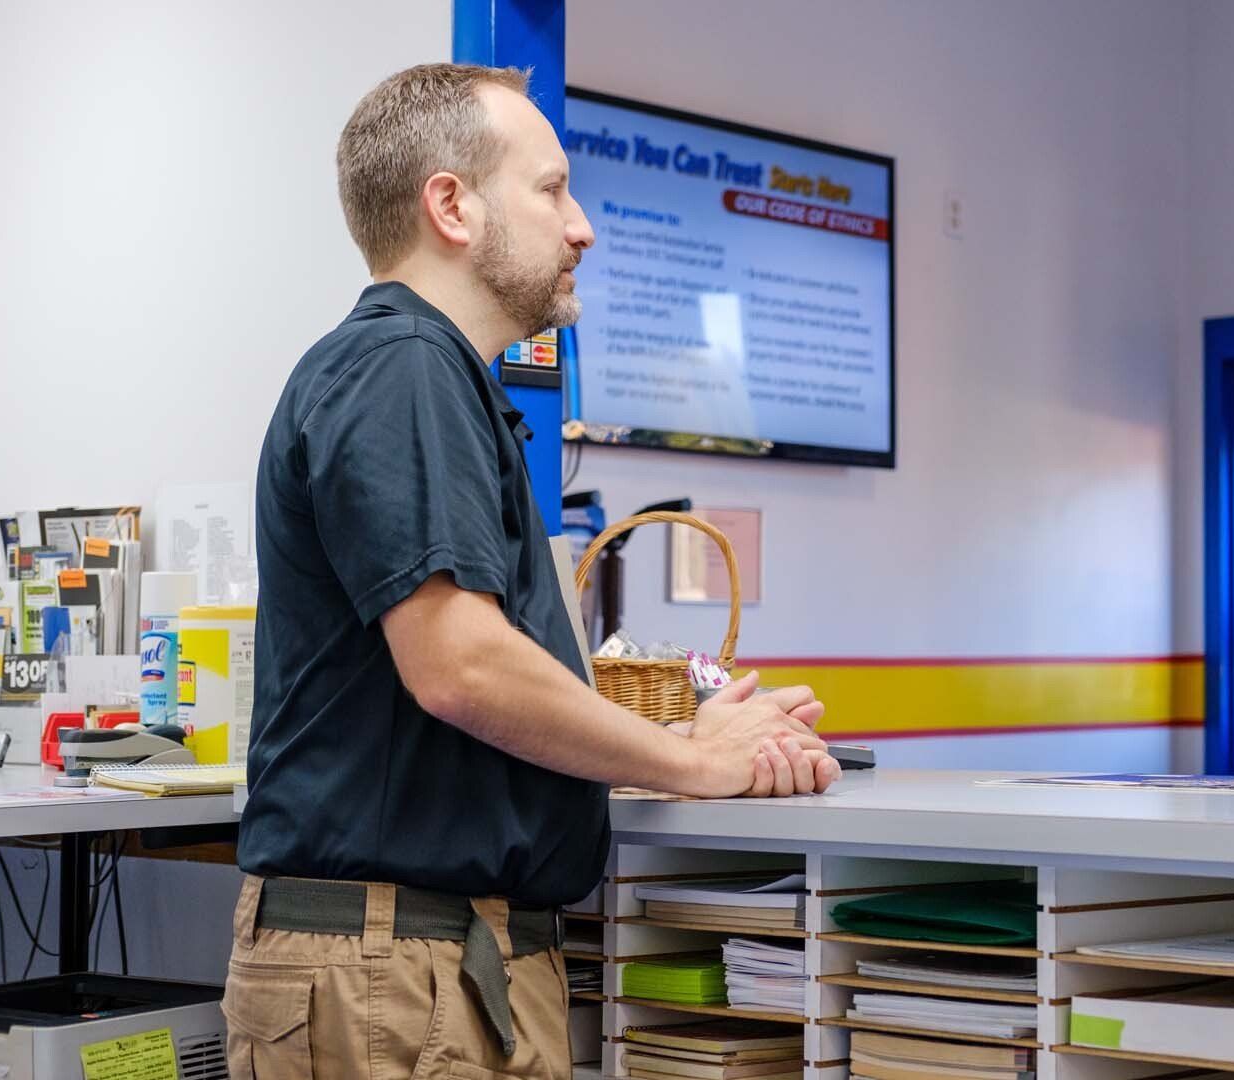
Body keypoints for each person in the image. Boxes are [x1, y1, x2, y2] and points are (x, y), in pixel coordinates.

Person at [223, 63, 839, 1080]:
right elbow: (458, 666)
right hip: (397, 978)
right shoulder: (404, 369)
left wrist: (671, 731)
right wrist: (695, 761)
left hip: (428, 968)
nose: (582, 226)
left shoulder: (432, 379)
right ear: (451, 206)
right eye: (551, 189)